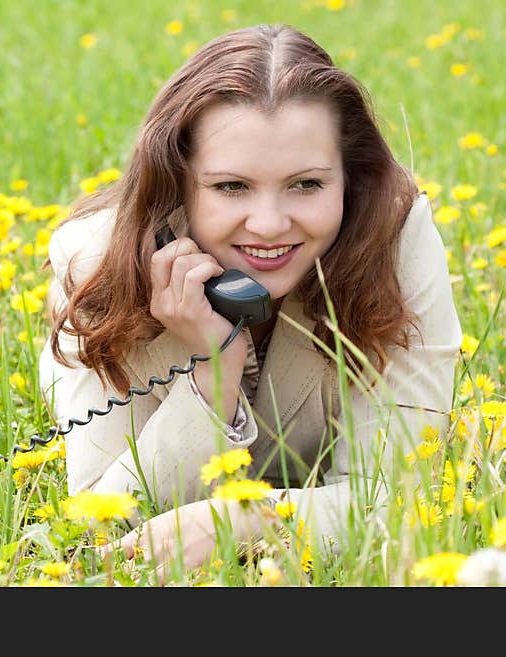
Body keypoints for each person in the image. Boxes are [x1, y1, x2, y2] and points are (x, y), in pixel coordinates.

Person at [38, 23, 462, 578]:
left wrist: (249, 522)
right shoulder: (95, 258)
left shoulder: (396, 240)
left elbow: (398, 503)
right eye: (230, 187)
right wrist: (213, 376)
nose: (268, 225)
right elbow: (98, 523)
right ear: (178, 183)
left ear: (349, 181)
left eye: (307, 184)